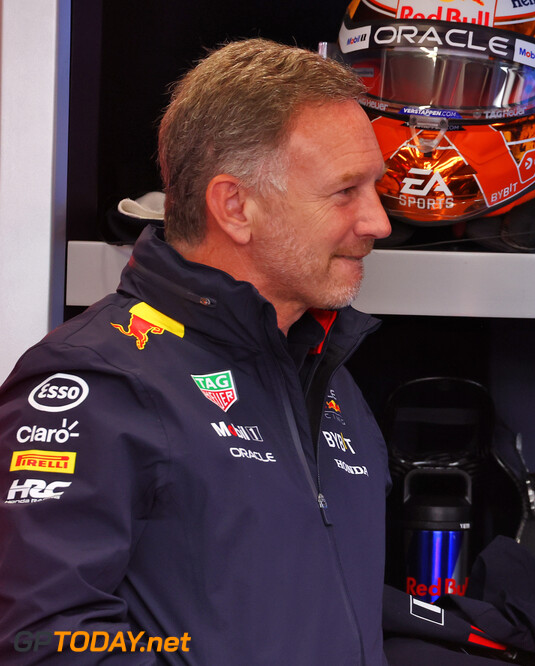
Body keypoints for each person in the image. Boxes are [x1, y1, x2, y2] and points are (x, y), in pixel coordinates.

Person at [0, 38, 392, 663]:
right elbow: (42, 645)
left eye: (376, 187)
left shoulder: (322, 371)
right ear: (235, 206)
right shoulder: (97, 380)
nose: (378, 221)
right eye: (345, 191)